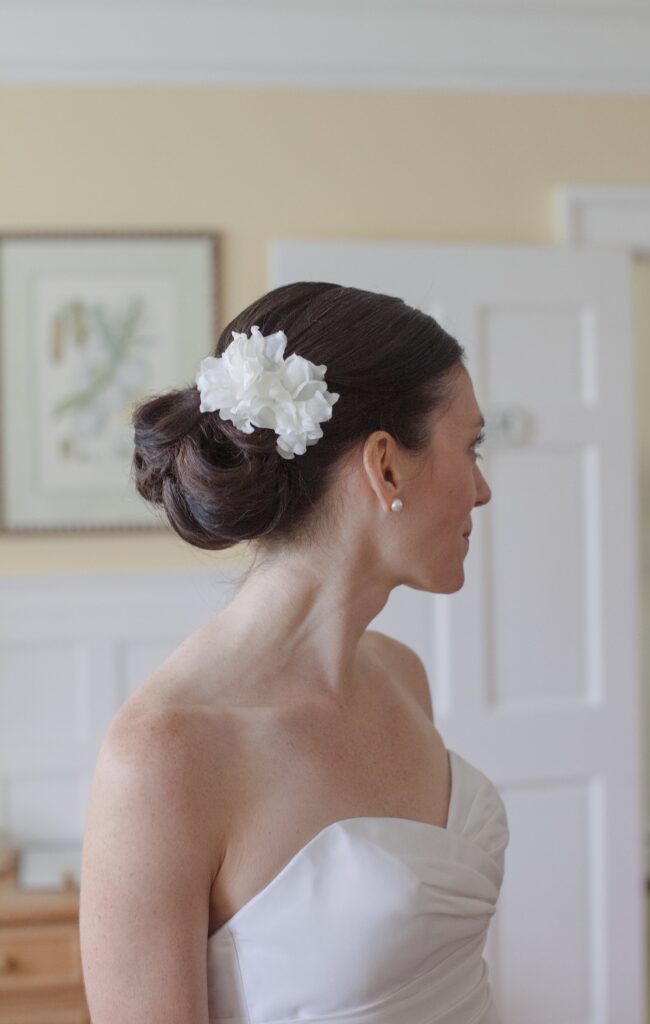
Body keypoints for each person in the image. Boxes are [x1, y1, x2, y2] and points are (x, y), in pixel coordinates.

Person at [78, 281, 509, 1024]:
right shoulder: (163, 754)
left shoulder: (400, 677)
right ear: (385, 466)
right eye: (468, 448)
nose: (482, 489)